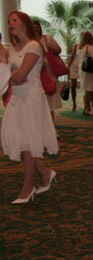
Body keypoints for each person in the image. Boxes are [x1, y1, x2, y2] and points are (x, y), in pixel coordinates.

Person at [1, 11, 58, 204]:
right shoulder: (14, 48)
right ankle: (45, 172)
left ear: (25, 23)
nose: (10, 24)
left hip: (31, 98)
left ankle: (27, 188)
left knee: (27, 144)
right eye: (9, 21)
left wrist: (14, 75)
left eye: (14, 20)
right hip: (18, 98)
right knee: (23, 141)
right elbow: (11, 76)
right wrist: (14, 75)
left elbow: (18, 75)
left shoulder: (34, 46)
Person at [33, 20, 63, 123]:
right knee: (36, 104)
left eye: (37, 26)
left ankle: (52, 129)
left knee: (49, 104)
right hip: (34, 75)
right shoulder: (27, 41)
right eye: (33, 26)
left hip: (47, 74)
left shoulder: (46, 38)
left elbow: (58, 50)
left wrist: (49, 49)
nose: (35, 28)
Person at [76, 31, 93, 116]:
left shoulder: (79, 47)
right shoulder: (89, 47)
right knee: (88, 90)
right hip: (89, 71)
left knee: (86, 90)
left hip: (82, 70)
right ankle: (87, 109)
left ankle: (86, 108)